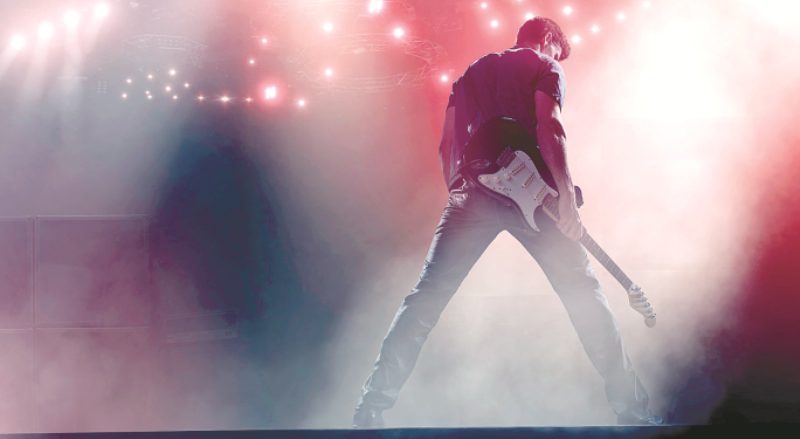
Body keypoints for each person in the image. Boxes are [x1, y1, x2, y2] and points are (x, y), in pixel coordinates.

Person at [352, 17, 661, 428]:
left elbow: (447, 144)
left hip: (471, 192)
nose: (557, 58)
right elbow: (550, 126)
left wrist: (460, 191)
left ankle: (370, 407)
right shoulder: (546, 66)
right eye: (557, 51)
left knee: (426, 298)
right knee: (583, 294)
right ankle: (632, 411)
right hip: (537, 202)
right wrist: (567, 200)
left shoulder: (469, 75)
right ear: (548, 39)